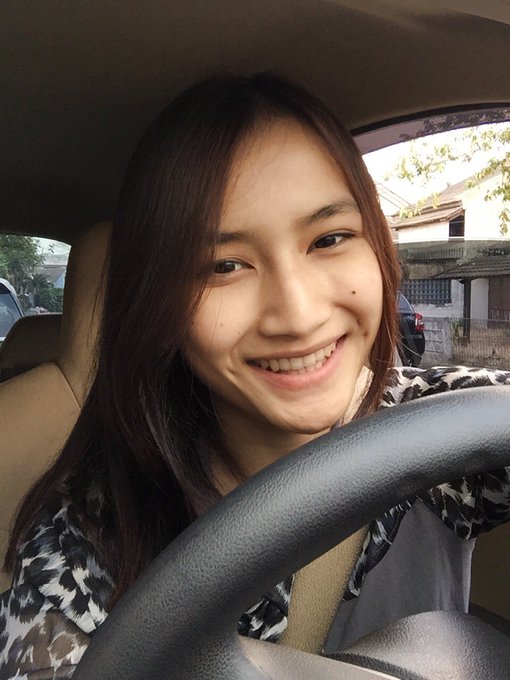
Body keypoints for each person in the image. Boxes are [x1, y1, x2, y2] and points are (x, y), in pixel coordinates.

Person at [0, 73, 509, 679]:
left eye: (329, 238)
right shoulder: (92, 538)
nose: (298, 315)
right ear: (160, 307)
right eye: (225, 265)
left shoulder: (447, 428)